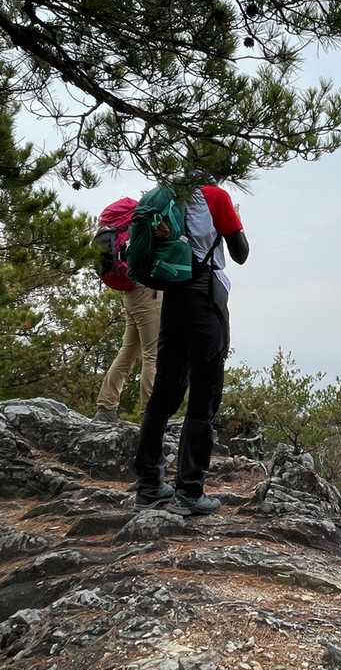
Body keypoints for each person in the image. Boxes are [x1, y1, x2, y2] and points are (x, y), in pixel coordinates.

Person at [133, 173, 249, 516]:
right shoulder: (215, 197)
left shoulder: (168, 196)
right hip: (205, 301)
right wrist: (234, 219)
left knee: (164, 393)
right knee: (205, 395)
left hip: (173, 299)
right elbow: (241, 253)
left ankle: (149, 486)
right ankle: (189, 491)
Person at [92, 280, 162, 423]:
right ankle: (151, 415)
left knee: (127, 353)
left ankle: (106, 407)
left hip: (132, 293)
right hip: (148, 294)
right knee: (152, 355)